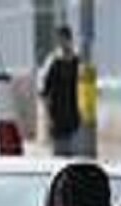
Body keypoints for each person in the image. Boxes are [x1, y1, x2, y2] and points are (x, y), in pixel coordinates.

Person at [39, 25, 81, 158]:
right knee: (59, 154)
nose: (63, 42)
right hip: (57, 116)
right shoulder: (54, 63)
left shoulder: (77, 62)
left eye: (65, 39)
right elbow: (45, 91)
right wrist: (48, 116)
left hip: (74, 116)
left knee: (72, 154)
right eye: (61, 39)